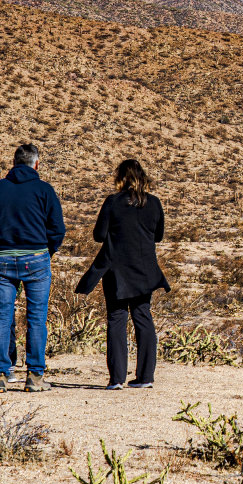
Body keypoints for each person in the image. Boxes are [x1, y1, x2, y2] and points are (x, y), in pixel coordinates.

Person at [0, 142, 65, 393]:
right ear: (37, 164)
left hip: (1, 260)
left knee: (1, 318)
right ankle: (35, 377)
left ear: (13, 164)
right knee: (36, 318)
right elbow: (57, 229)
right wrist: (48, 252)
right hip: (36, 258)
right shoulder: (44, 190)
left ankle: (0, 374)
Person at [77, 159, 168, 390]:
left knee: (117, 318)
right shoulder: (154, 203)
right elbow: (158, 236)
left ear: (121, 178)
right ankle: (145, 376)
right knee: (143, 316)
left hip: (116, 268)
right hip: (145, 269)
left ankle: (117, 378)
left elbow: (99, 235)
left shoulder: (112, 202)